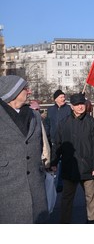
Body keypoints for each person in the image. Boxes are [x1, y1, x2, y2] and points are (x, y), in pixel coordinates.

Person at [0, 75, 49, 223]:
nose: (29, 92)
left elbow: (41, 143)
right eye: (25, 89)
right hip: (8, 185)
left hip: (36, 184)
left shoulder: (34, 115)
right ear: (13, 92)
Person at [51, 93, 94, 224]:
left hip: (88, 165)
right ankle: (65, 222)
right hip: (70, 166)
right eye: (77, 105)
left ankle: (92, 220)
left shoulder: (92, 122)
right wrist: (54, 161)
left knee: (91, 196)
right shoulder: (63, 123)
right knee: (67, 197)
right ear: (71, 106)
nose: (80, 107)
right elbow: (57, 144)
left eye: (82, 104)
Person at [44, 89, 72, 192]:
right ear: (55, 99)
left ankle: (61, 183)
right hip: (53, 139)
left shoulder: (69, 109)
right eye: (61, 97)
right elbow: (47, 123)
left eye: (64, 96)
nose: (63, 98)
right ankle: (52, 183)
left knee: (63, 163)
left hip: (65, 140)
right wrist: (47, 135)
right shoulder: (50, 110)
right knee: (54, 162)